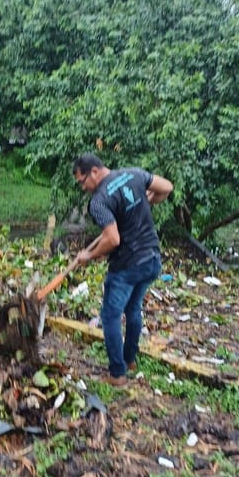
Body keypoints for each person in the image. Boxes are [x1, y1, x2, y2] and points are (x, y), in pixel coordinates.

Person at [72, 153, 173, 386]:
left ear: (94, 172)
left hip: (127, 266)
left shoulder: (98, 201)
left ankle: (117, 374)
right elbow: (167, 187)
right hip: (152, 259)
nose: (83, 187)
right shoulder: (133, 174)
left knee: (109, 317)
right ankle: (129, 360)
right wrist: (150, 199)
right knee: (133, 309)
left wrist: (89, 255)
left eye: (82, 181)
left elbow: (112, 239)